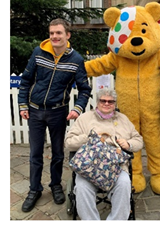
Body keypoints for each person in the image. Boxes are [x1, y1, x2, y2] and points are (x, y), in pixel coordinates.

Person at [17, 18, 92, 212]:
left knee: (58, 153)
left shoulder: (76, 60)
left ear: (67, 35)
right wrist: (23, 104)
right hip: (34, 111)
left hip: (59, 112)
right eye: (51, 33)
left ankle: (56, 185)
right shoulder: (38, 53)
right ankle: (34, 190)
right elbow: (26, 80)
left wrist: (78, 108)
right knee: (35, 153)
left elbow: (84, 89)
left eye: (58, 33)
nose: (54, 37)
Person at [64, 89, 142, 220]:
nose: (107, 103)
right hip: (89, 167)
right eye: (103, 100)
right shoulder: (84, 118)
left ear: (115, 104)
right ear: (97, 102)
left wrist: (128, 144)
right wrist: (88, 137)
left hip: (116, 167)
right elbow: (68, 142)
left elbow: (139, 140)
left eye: (110, 101)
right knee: (82, 187)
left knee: (124, 184)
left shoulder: (123, 119)